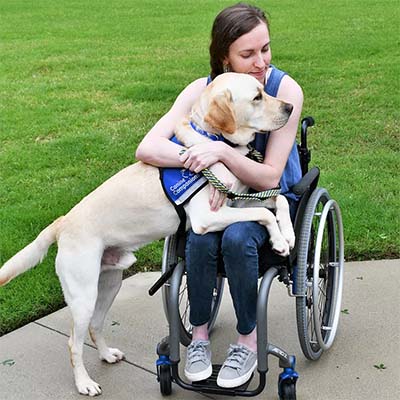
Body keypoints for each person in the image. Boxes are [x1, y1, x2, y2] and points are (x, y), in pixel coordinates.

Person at [136, 2, 303, 389]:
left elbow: (270, 175)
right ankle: (198, 336)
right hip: (222, 198)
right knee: (200, 232)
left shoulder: (285, 90)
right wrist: (201, 159)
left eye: (265, 48)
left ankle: (247, 339)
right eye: (247, 54)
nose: (261, 62)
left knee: (238, 236)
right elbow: (147, 147)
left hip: (270, 195)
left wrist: (222, 152)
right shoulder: (204, 91)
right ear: (224, 58)